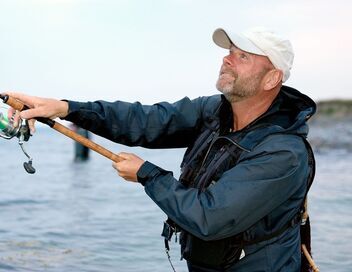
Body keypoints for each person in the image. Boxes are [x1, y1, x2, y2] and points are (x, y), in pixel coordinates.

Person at [4, 26, 316, 271]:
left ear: (272, 78)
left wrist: (147, 175)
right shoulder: (213, 111)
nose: (226, 59)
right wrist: (66, 108)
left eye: (243, 56)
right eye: (229, 52)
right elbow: (144, 120)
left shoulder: (284, 152)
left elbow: (210, 217)